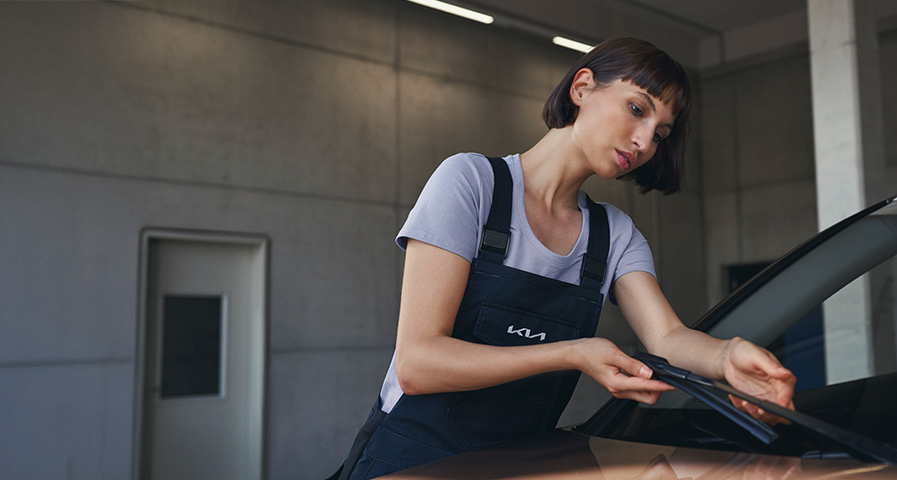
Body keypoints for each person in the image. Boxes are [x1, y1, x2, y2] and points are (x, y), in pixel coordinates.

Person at [332, 38, 796, 480]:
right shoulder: (471, 183)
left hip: (520, 467)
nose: (644, 141)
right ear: (582, 87)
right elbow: (418, 364)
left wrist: (726, 356)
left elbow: (668, 337)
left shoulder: (613, 234)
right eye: (637, 109)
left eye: (661, 133)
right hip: (410, 463)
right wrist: (573, 353)